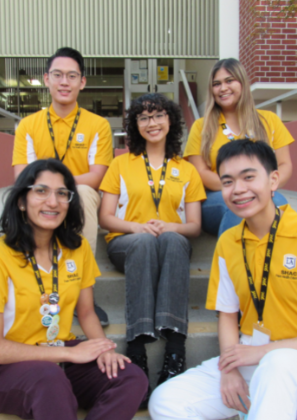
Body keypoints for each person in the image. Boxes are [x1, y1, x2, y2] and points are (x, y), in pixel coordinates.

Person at [149, 140, 297, 420]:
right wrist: (229, 369)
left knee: (278, 363)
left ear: (273, 179)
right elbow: (227, 315)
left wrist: (265, 351)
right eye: (227, 182)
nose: (238, 190)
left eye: (249, 177)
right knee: (165, 401)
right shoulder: (228, 241)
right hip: (250, 355)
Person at [0, 159, 148, 420]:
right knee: (48, 378)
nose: (52, 202)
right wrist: (68, 353)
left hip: (60, 357)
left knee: (130, 377)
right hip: (8, 367)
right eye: (41, 191)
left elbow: (86, 313)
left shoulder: (78, 248)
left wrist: (103, 348)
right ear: (21, 200)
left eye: (62, 193)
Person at [98, 93, 206, 408]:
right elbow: (106, 219)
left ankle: (175, 353)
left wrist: (170, 227)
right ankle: (137, 351)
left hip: (169, 245)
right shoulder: (121, 164)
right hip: (127, 244)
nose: (152, 123)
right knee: (146, 242)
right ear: (135, 125)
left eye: (158, 115)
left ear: (170, 120)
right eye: (143, 118)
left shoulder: (186, 169)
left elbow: (195, 226)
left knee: (173, 240)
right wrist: (137, 227)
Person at [12, 47, 111, 325]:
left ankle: (82, 297)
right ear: (46, 79)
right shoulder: (28, 125)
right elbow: (22, 177)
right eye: (57, 75)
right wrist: (50, 190)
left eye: (71, 76)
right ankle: (36, 290)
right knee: (27, 194)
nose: (64, 82)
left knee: (83, 192)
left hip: (80, 196)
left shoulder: (98, 125)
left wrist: (56, 187)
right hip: (39, 195)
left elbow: (97, 176)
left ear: (82, 82)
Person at [184, 58, 295, 237]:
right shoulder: (201, 126)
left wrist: (261, 188)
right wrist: (240, 189)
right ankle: (232, 262)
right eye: (216, 84)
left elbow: (284, 165)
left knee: (280, 203)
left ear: (242, 83)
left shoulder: (269, 120)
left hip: (262, 192)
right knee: (239, 203)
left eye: (229, 81)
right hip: (217, 197)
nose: (223, 88)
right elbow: (200, 172)